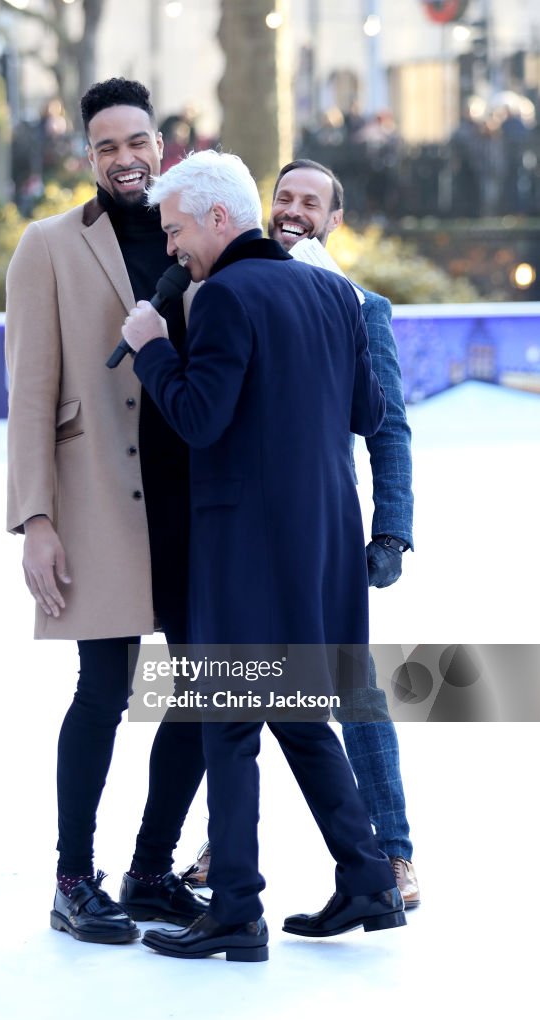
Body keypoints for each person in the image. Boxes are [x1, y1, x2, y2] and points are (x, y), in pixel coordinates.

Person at [121, 150, 404, 961]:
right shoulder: (328, 290)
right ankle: (368, 876)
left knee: (227, 720)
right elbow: (365, 408)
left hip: (246, 543)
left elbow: (199, 417)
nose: (172, 248)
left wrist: (151, 347)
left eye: (175, 230)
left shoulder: (224, 296)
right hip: (321, 542)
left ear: (216, 218)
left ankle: (235, 910)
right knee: (298, 714)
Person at [185, 158, 420, 910]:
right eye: (282, 197)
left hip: (321, 537)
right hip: (253, 531)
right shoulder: (225, 288)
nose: (291, 210)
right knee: (242, 685)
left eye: (308, 202)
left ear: (333, 220)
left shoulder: (357, 302)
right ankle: (226, 848)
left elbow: (386, 430)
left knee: (348, 690)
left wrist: (391, 532)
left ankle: (390, 856)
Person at [5, 78, 208, 946]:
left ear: (159, 144)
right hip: (98, 503)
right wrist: (35, 522)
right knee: (103, 690)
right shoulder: (47, 245)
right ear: (87, 157)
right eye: (106, 147)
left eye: (137, 142)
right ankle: (71, 879)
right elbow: (29, 395)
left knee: (205, 692)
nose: (125, 159)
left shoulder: (201, 232)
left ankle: (151, 870)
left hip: (199, 503)